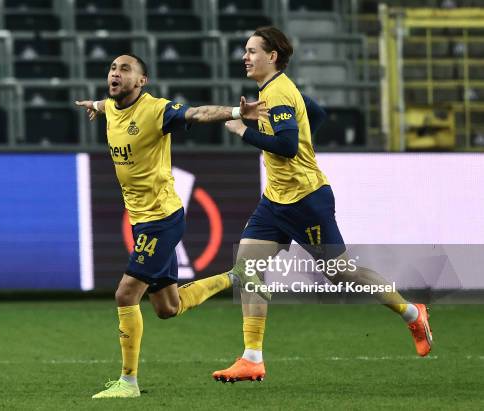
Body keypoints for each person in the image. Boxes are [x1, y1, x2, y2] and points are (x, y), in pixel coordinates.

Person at [212, 26, 433, 383]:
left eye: (252, 51)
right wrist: (265, 119)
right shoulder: (276, 90)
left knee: (342, 274)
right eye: (245, 50)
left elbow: (286, 146)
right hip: (275, 200)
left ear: (273, 57)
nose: (245, 57)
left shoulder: (279, 92)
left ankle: (412, 313)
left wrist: (244, 131)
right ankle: (252, 357)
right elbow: (315, 114)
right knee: (247, 268)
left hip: (306, 201)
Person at [74, 53, 268, 399]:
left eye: (125, 69)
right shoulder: (110, 107)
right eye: (113, 68)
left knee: (125, 293)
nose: (115, 73)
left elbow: (196, 113)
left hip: (160, 219)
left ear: (141, 81)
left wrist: (238, 112)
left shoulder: (155, 110)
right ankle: (236, 277)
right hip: (141, 220)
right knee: (167, 307)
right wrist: (95, 105)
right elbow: (107, 106)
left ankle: (127, 383)